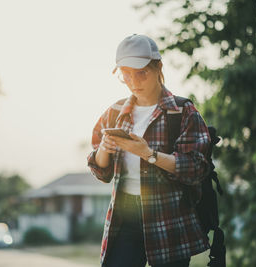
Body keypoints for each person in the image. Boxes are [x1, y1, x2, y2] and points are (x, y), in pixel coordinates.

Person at [87, 34, 211, 267]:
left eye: (141, 72)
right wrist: (104, 148)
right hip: (124, 218)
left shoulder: (183, 111)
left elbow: (195, 168)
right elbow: (101, 171)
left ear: (158, 68)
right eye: (126, 74)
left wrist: (148, 154)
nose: (134, 81)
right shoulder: (114, 112)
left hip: (169, 219)